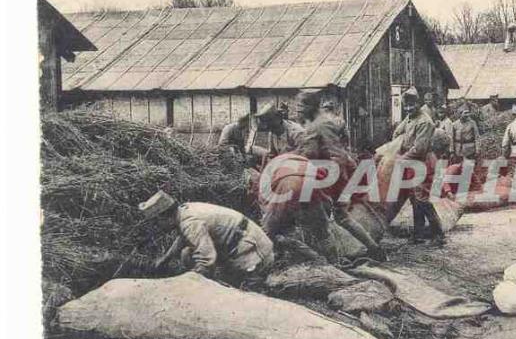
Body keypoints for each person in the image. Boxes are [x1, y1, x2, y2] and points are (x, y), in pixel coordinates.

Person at [294, 90, 386, 260]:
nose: (297, 110)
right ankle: (375, 250)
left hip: (330, 178)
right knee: (341, 217)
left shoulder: (321, 124)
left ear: (310, 106)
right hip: (327, 176)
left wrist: (327, 183)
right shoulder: (315, 123)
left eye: (300, 106)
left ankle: (333, 260)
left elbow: (336, 154)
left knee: (319, 218)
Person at [142, 191, 274, 289]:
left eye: (157, 223)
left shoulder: (190, 222)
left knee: (235, 293)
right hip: (246, 241)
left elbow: (206, 261)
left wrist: (185, 285)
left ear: (164, 217)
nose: (157, 227)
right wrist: (166, 259)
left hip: (255, 254)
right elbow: (184, 238)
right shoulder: (184, 210)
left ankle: (255, 283)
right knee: (187, 254)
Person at [392, 86, 444, 246]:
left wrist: (400, 160)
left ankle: (438, 234)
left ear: (418, 103)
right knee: (415, 199)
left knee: (422, 199)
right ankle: (418, 234)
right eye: (406, 105)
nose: (408, 108)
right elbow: (397, 133)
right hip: (411, 161)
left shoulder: (425, 121)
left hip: (422, 162)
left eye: (411, 105)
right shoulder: (410, 118)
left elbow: (419, 149)